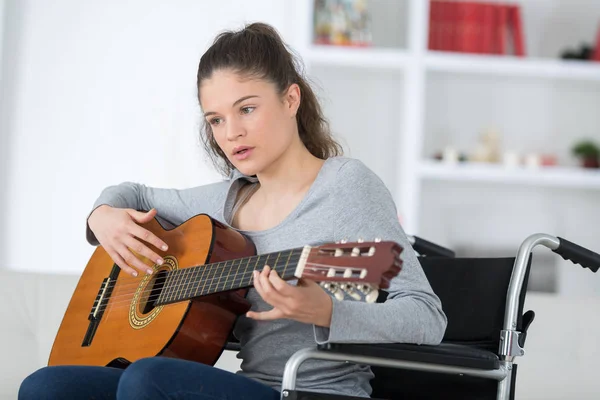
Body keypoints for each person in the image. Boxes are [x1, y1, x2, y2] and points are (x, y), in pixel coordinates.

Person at [19, 22, 447, 400]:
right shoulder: (226, 202)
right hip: (251, 387)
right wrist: (102, 217)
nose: (232, 133)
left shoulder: (347, 187)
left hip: (317, 393)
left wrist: (329, 312)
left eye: (246, 109)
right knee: (45, 386)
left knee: (148, 379)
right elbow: (130, 192)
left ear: (291, 98)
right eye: (216, 120)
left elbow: (427, 317)